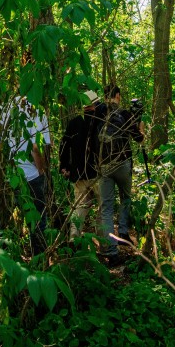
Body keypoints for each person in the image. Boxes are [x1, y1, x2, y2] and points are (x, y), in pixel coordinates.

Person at [0, 92, 52, 255]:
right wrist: (41, 170)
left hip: (7, 175)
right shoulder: (37, 110)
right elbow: (36, 148)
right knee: (37, 224)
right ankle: (40, 266)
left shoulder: (5, 107)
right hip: (31, 177)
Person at [95, 85, 142, 260]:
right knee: (126, 197)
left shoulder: (97, 113)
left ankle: (110, 250)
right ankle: (123, 232)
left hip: (103, 165)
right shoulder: (124, 113)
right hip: (122, 163)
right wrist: (140, 125)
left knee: (106, 207)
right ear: (117, 96)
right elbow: (139, 138)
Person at [59, 90, 101, 239]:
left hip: (78, 174)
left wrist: (64, 166)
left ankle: (74, 237)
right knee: (103, 209)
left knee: (79, 209)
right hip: (97, 173)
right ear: (96, 104)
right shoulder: (100, 121)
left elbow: (64, 146)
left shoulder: (74, 122)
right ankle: (105, 246)